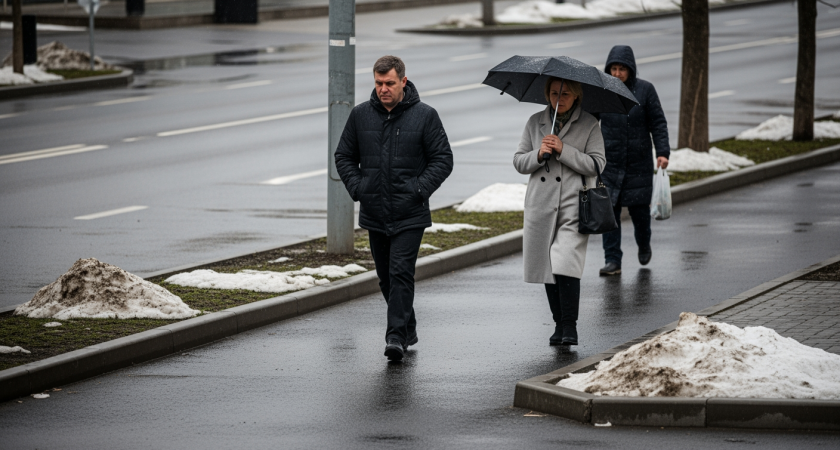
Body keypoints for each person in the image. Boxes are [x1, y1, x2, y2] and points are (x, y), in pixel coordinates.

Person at [334, 55, 453, 361]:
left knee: (401, 273)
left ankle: (395, 337)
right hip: (374, 212)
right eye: (378, 83)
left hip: (410, 212)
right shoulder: (361, 115)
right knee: (386, 277)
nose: (383, 89)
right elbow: (344, 155)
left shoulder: (425, 116)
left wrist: (419, 189)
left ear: (403, 81)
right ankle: (408, 324)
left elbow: (443, 159)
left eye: (389, 83)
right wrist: (359, 188)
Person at [513, 77, 606, 346]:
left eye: (565, 93)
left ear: (576, 96)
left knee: (564, 263)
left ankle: (570, 326)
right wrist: (539, 154)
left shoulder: (589, 124)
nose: (559, 98)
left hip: (573, 204)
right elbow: (519, 161)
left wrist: (564, 150)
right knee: (547, 266)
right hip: (541, 204)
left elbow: (597, 164)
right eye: (554, 93)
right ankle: (558, 324)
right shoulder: (535, 122)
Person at [596, 45, 670, 276]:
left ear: (631, 70)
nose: (617, 73)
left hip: (638, 165)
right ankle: (613, 260)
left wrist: (663, 152)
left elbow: (658, 123)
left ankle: (644, 244)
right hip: (610, 164)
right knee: (609, 217)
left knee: (640, 215)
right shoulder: (602, 91)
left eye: (622, 69)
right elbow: (587, 122)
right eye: (613, 68)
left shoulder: (645, 90)